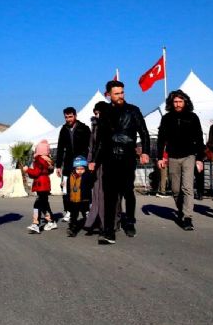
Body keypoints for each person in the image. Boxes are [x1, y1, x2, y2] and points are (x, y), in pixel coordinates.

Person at [96, 80, 150, 244]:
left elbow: (144, 132)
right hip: (110, 159)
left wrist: (145, 151)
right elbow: (101, 139)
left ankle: (130, 221)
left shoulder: (133, 110)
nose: (120, 96)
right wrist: (95, 161)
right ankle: (109, 231)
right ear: (108, 95)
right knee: (110, 195)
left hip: (127, 157)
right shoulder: (104, 113)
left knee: (128, 191)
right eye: (116, 93)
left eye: (122, 92)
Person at [157, 90, 205, 231]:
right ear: (171, 103)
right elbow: (161, 139)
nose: (178, 104)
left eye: (180, 101)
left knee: (187, 187)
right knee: (176, 189)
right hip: (172, 157)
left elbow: (199, 139)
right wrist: (160, 157)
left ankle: (188, 217)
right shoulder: (166, 118)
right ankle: (181, 210)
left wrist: (200, 159)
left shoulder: (192, 117)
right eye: (175, 102)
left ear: (185, 102)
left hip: (189, 156)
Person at [55, 107, 91, 223]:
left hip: (82, 162)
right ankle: (69, 211)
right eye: (66, 117)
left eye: (70, 116)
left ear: (75, 116)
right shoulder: (63, 129)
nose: (68, 119)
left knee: (84, 187)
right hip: (68, 163)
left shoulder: (84, 128)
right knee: (66, 188)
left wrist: (90, 161)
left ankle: (86, 210)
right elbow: (60, 148)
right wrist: (58, 165)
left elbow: (91, 146)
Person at [84, 101, 110, 234]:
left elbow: (104, 146)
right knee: (96, 193)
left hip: (107, 163)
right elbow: (91, 146)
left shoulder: (109, 125)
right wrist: (90, 161)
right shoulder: (94, 125)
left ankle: (105, 223)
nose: (97, 115)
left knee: (105, 193)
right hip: (95, 164)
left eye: (99, 112)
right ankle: (94, 220)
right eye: (95, 113)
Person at [24, 140, 58, 234]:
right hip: (45, 182)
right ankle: (50, 221)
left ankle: (36, 224)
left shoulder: (39, 159)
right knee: (43, 203)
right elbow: (49, 171)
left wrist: (27, 170)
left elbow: (36, 172)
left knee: (38, 203)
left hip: (40, 183)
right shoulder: (48, 160)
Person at [67, 156, 93, 237]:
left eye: (82, 169)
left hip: (84, 200)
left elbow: (91, 183)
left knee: (86, 214)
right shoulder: (70, 176)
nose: (80, 171)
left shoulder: (87, 176)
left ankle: (90, 227)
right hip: (73, 200)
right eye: (78, 169)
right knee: (74, 215)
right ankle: (73, 229)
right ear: (74, 168)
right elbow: (68, 188)